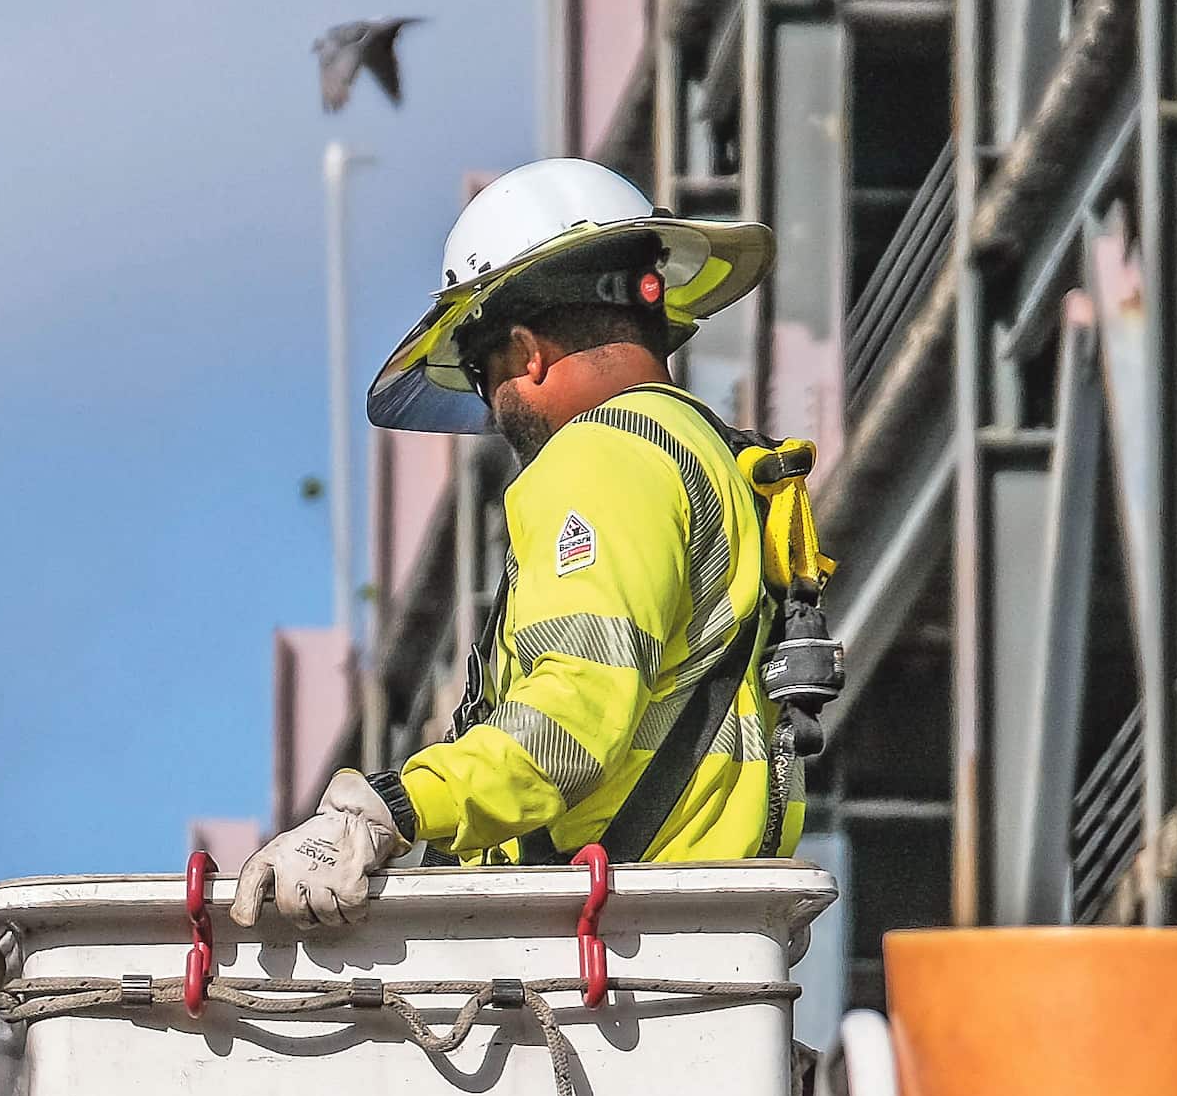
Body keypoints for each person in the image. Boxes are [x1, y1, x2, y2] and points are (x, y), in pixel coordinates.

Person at [235, 157, 802, 927]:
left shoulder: (599, 456)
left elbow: (573, 711)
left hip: (617, 952)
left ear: (527, 352)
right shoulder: (706, 455)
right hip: (690, 936)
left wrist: (392, 807)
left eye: (481, 375)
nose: (493, 410)